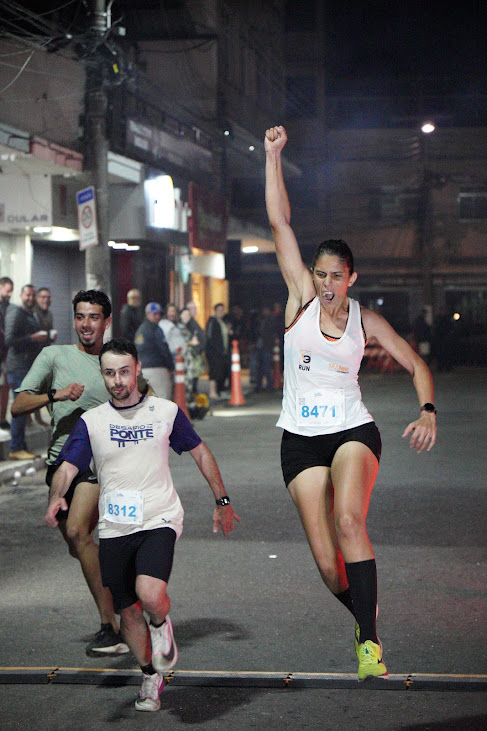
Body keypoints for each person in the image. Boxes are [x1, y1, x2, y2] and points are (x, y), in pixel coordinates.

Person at [265, 125, 437, 681]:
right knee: (326, 565)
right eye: (320, 274)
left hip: (352, 433)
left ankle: (369, 642)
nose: (326, 284)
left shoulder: (368, 321)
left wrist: (427, 410)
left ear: (351, 277)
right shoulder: (300, 301)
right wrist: (272, 156)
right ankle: (365, 614)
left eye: (336, 276)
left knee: (347, 520)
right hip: (299, 440)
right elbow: (280, 223)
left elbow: (417, 365)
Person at [46, 338, 240, 712]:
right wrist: (57, 495)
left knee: (149, 595)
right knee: (128, 611)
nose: (117, 380)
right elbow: (68, 467)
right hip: (115, 525)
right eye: (109, 373)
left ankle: (161, 621)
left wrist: (222, 500)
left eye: (124, 371)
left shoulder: (164, 412)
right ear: (102, 374)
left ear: (137, 370)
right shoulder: (92, 422)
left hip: (158, 516)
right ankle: (150, 676)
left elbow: (200, 452)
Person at [11, 290, 131, 656]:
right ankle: (126, 598)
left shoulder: (115, 362)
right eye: (80, 316)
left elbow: (143, 400)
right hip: (58, 464)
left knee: (79, 531)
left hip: (97, 463)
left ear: (106, 321)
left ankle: (110, 627)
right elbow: (18, 405)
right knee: (77, 545)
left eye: (94, 317)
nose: (86, 324)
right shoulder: (54, 356)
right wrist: (56, 395)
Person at [6, 284, 49, 459]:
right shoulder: (16, 312)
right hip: (18, 367)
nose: (30, 298)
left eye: (32, 295)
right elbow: (9, 340)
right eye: (27, 295)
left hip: (26, 367)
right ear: (21, 295)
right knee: (21, 407)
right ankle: (15, 448)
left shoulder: (29, 314)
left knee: (24, 409)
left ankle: (21, 446)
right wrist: (32, 338)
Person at [134, 303, 174, 399]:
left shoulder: (140, 330)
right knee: (162, 399)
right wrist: (171, 367)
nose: (158, 317)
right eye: (154, 314)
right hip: (158, 369)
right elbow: (163, 349)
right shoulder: (156, 329)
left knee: (147, 401)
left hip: (143, 370)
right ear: (147, 314)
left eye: (159, 314)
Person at [178, 307, 206, 400]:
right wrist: (190, 342)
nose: (186, 317)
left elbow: (201, 340)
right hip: (183, 359)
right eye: (184, 314)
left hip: (193, 359)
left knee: (193, 379)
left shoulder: (194, 326)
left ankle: (192, 398)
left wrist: (196, 344)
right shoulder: (179, 327)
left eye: (188, 315)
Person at [205, 303, 231, 400]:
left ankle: (219, 391)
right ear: (215, 311)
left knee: (221, 372)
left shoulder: (223, 322)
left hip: (222, 352)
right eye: (219, 310)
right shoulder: (212, 321)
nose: (221, 312)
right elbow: (210, 337)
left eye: (222, 310)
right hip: (214, 352)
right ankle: (212, 392)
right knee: (214, 372)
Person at [0, 276, 14, 431]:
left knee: (4, 388)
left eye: (11, 291)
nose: (9, 294)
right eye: (7, 290)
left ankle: (2, 418)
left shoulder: (9, 308)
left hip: (5, 354)